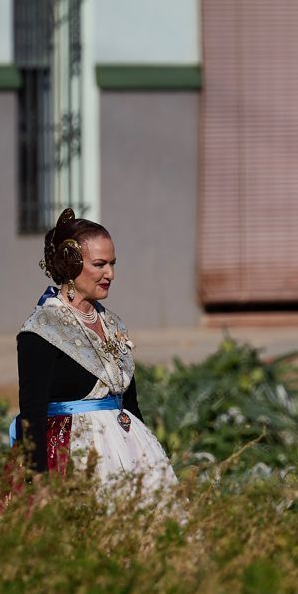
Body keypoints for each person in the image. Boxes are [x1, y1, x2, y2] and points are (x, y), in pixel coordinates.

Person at [13, 209, 178, 496]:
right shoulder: (41, 330)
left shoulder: (112, 323)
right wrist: (37, 483)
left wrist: (149, 454)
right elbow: (32, 413)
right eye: (100, 264)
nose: (110, 274)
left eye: (113, 264)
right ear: (70, 264)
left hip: (129, 453)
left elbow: (129, 403)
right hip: (74, 457)